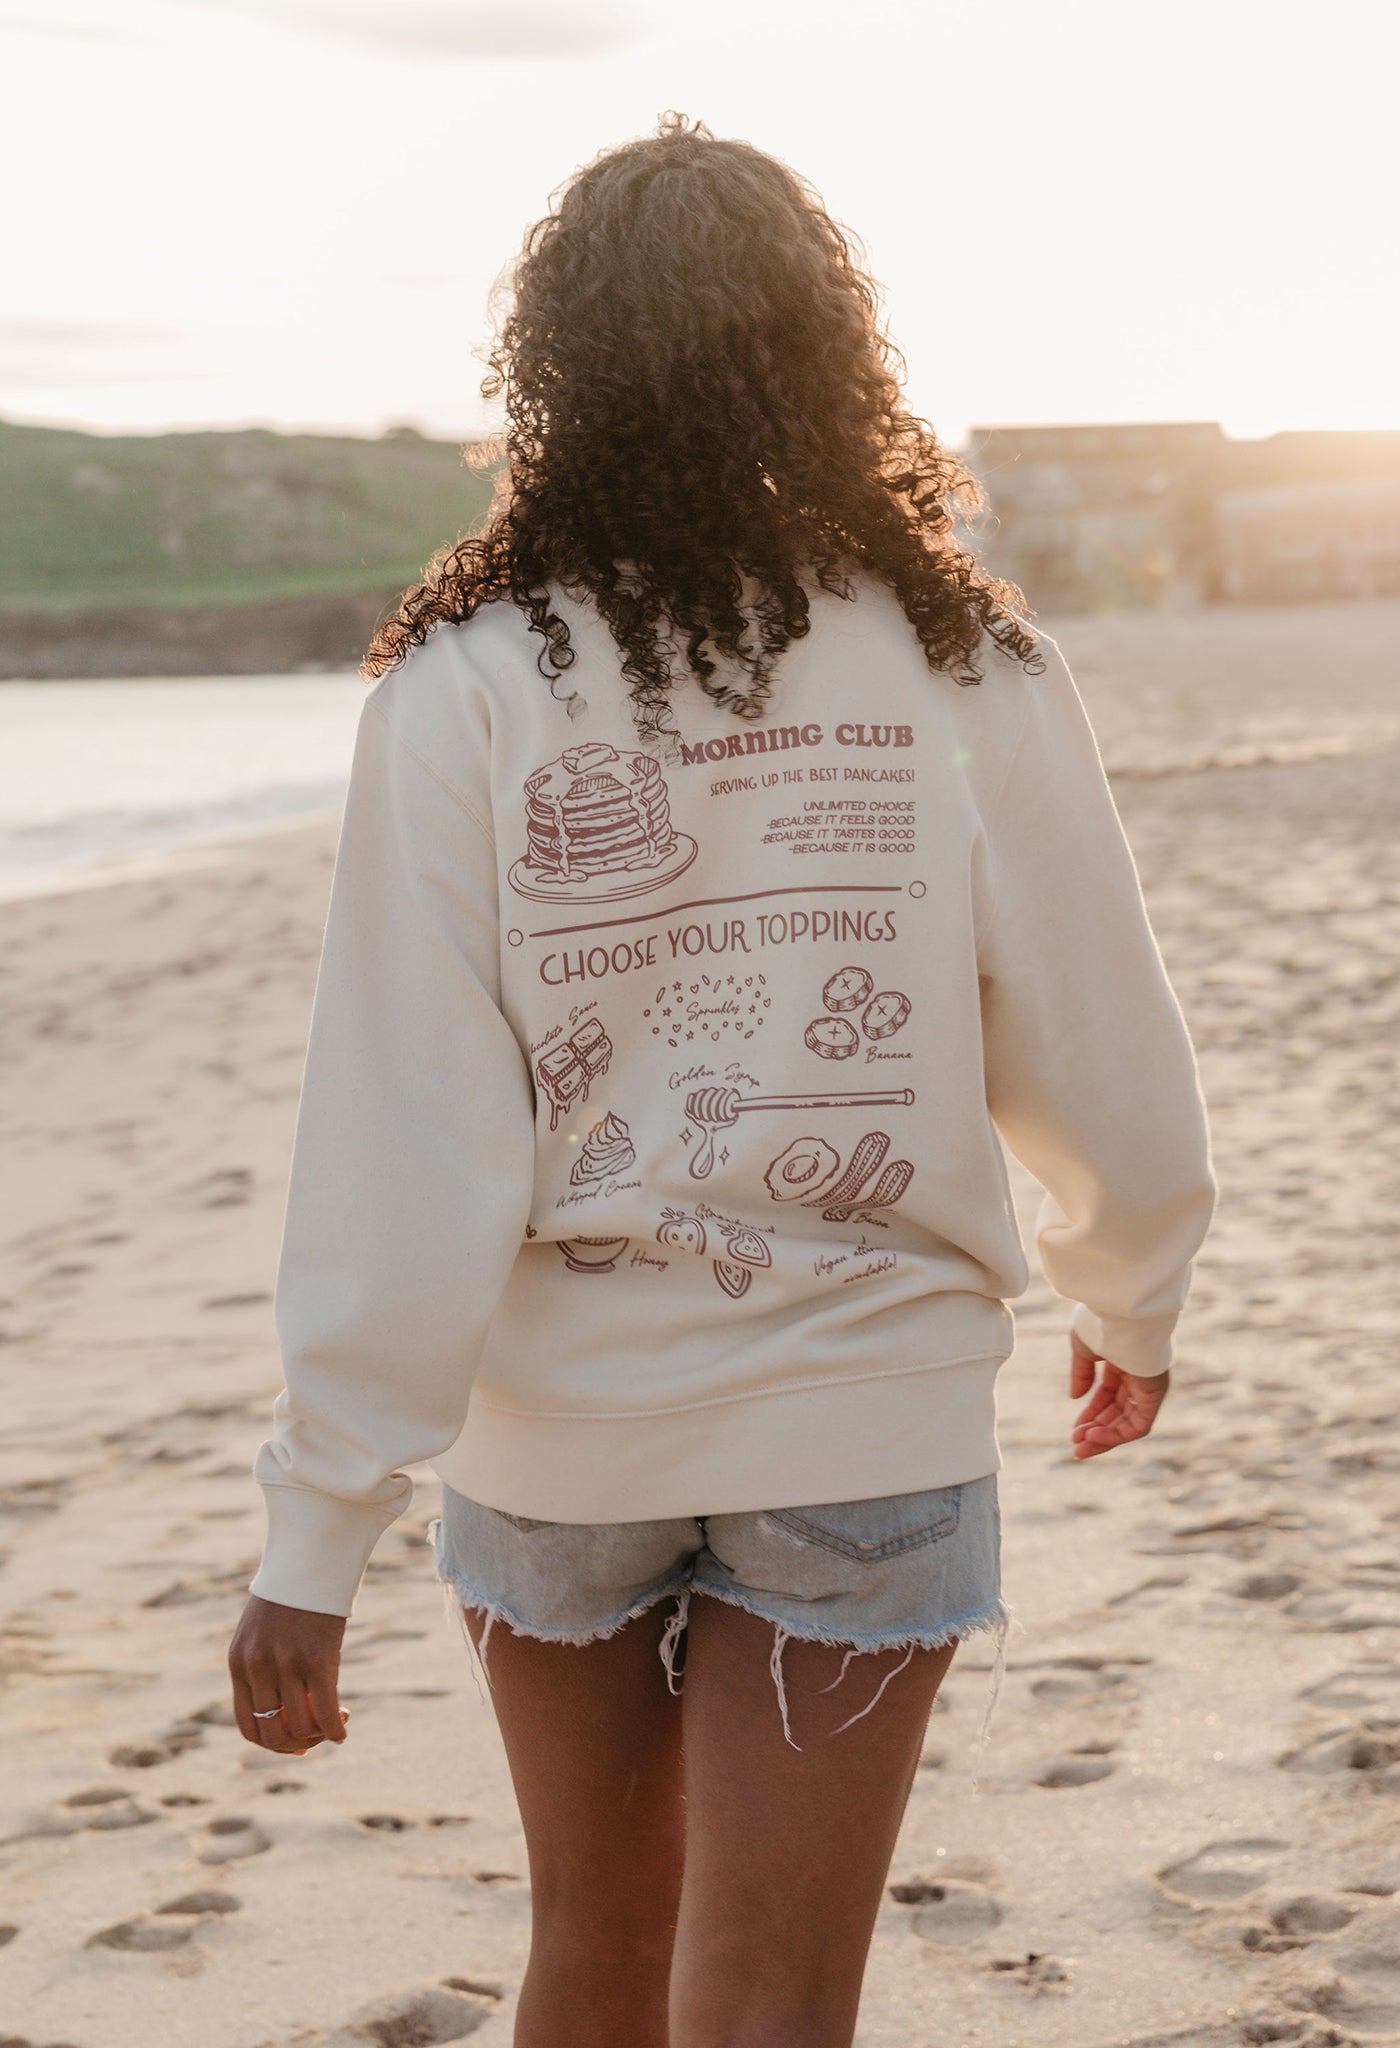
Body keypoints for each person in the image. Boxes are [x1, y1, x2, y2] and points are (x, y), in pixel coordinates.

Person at [228, 112, 1215, 2048]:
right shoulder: (964, 657)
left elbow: (405, 1122)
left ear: (558, 373)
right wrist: (1133, 1286)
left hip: (556, 1428)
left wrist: (316, 1521)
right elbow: (1094, 1018)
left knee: (592, 1951)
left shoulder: (468, 679)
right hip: (865, 1406)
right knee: (771, 1998)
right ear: (823, 354)